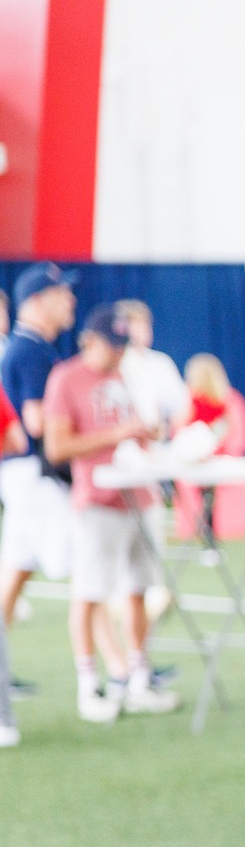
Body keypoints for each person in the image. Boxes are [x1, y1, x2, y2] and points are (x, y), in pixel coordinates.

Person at [42, 305, 179, 723]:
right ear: (90, 340)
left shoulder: (129, 373)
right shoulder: (66, 379)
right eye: (112, 345)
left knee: (140, 588)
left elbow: (143, 424)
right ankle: (90, 684)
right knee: (90, 592)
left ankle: (138, 674)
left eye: (123, 346)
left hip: (139, 493)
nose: (118, 354)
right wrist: (116, 435)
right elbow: (57, 448)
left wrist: (146, 433)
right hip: (98, 499)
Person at [2, 264, 80, 636]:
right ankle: (124, 668)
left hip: (24, 472)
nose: (70, 299)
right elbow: (35, 421)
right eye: (60, 293)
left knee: (18, 567)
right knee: (85, 563)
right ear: (36, 301)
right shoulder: (31, 350)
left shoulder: (32, 348)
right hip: (34, 473)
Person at [174, 353, 245, 542]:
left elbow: (238, 440)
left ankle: (212, 525)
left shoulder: (230, 402)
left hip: (221, 464)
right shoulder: (188, 403)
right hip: (195, 466)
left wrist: (216, 450)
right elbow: (180, 439)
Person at [114, 300, 191, 440]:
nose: (143, 331)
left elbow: (182, 406)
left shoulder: (161, 363)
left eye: (145, 325)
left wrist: (170, 437)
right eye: (136, 325)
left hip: (155, 443)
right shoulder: (114, 363)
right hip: (120, 444)